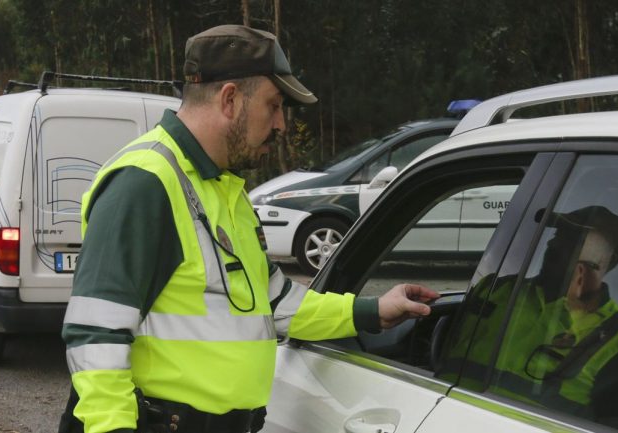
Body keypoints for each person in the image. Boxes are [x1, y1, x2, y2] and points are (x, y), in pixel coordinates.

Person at [59, 24, 438, 433]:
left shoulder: (225, 190)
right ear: (230, 99)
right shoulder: (145, 183)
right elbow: (95, 337)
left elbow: (274, 304)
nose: (280, 125)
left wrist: (372, 311)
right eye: (273, 106)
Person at [439, 206, 618, 433]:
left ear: (604, 261)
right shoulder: (495, 289)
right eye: (557, 235)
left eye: (573, 241)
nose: (554, 244)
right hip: (435, 417)